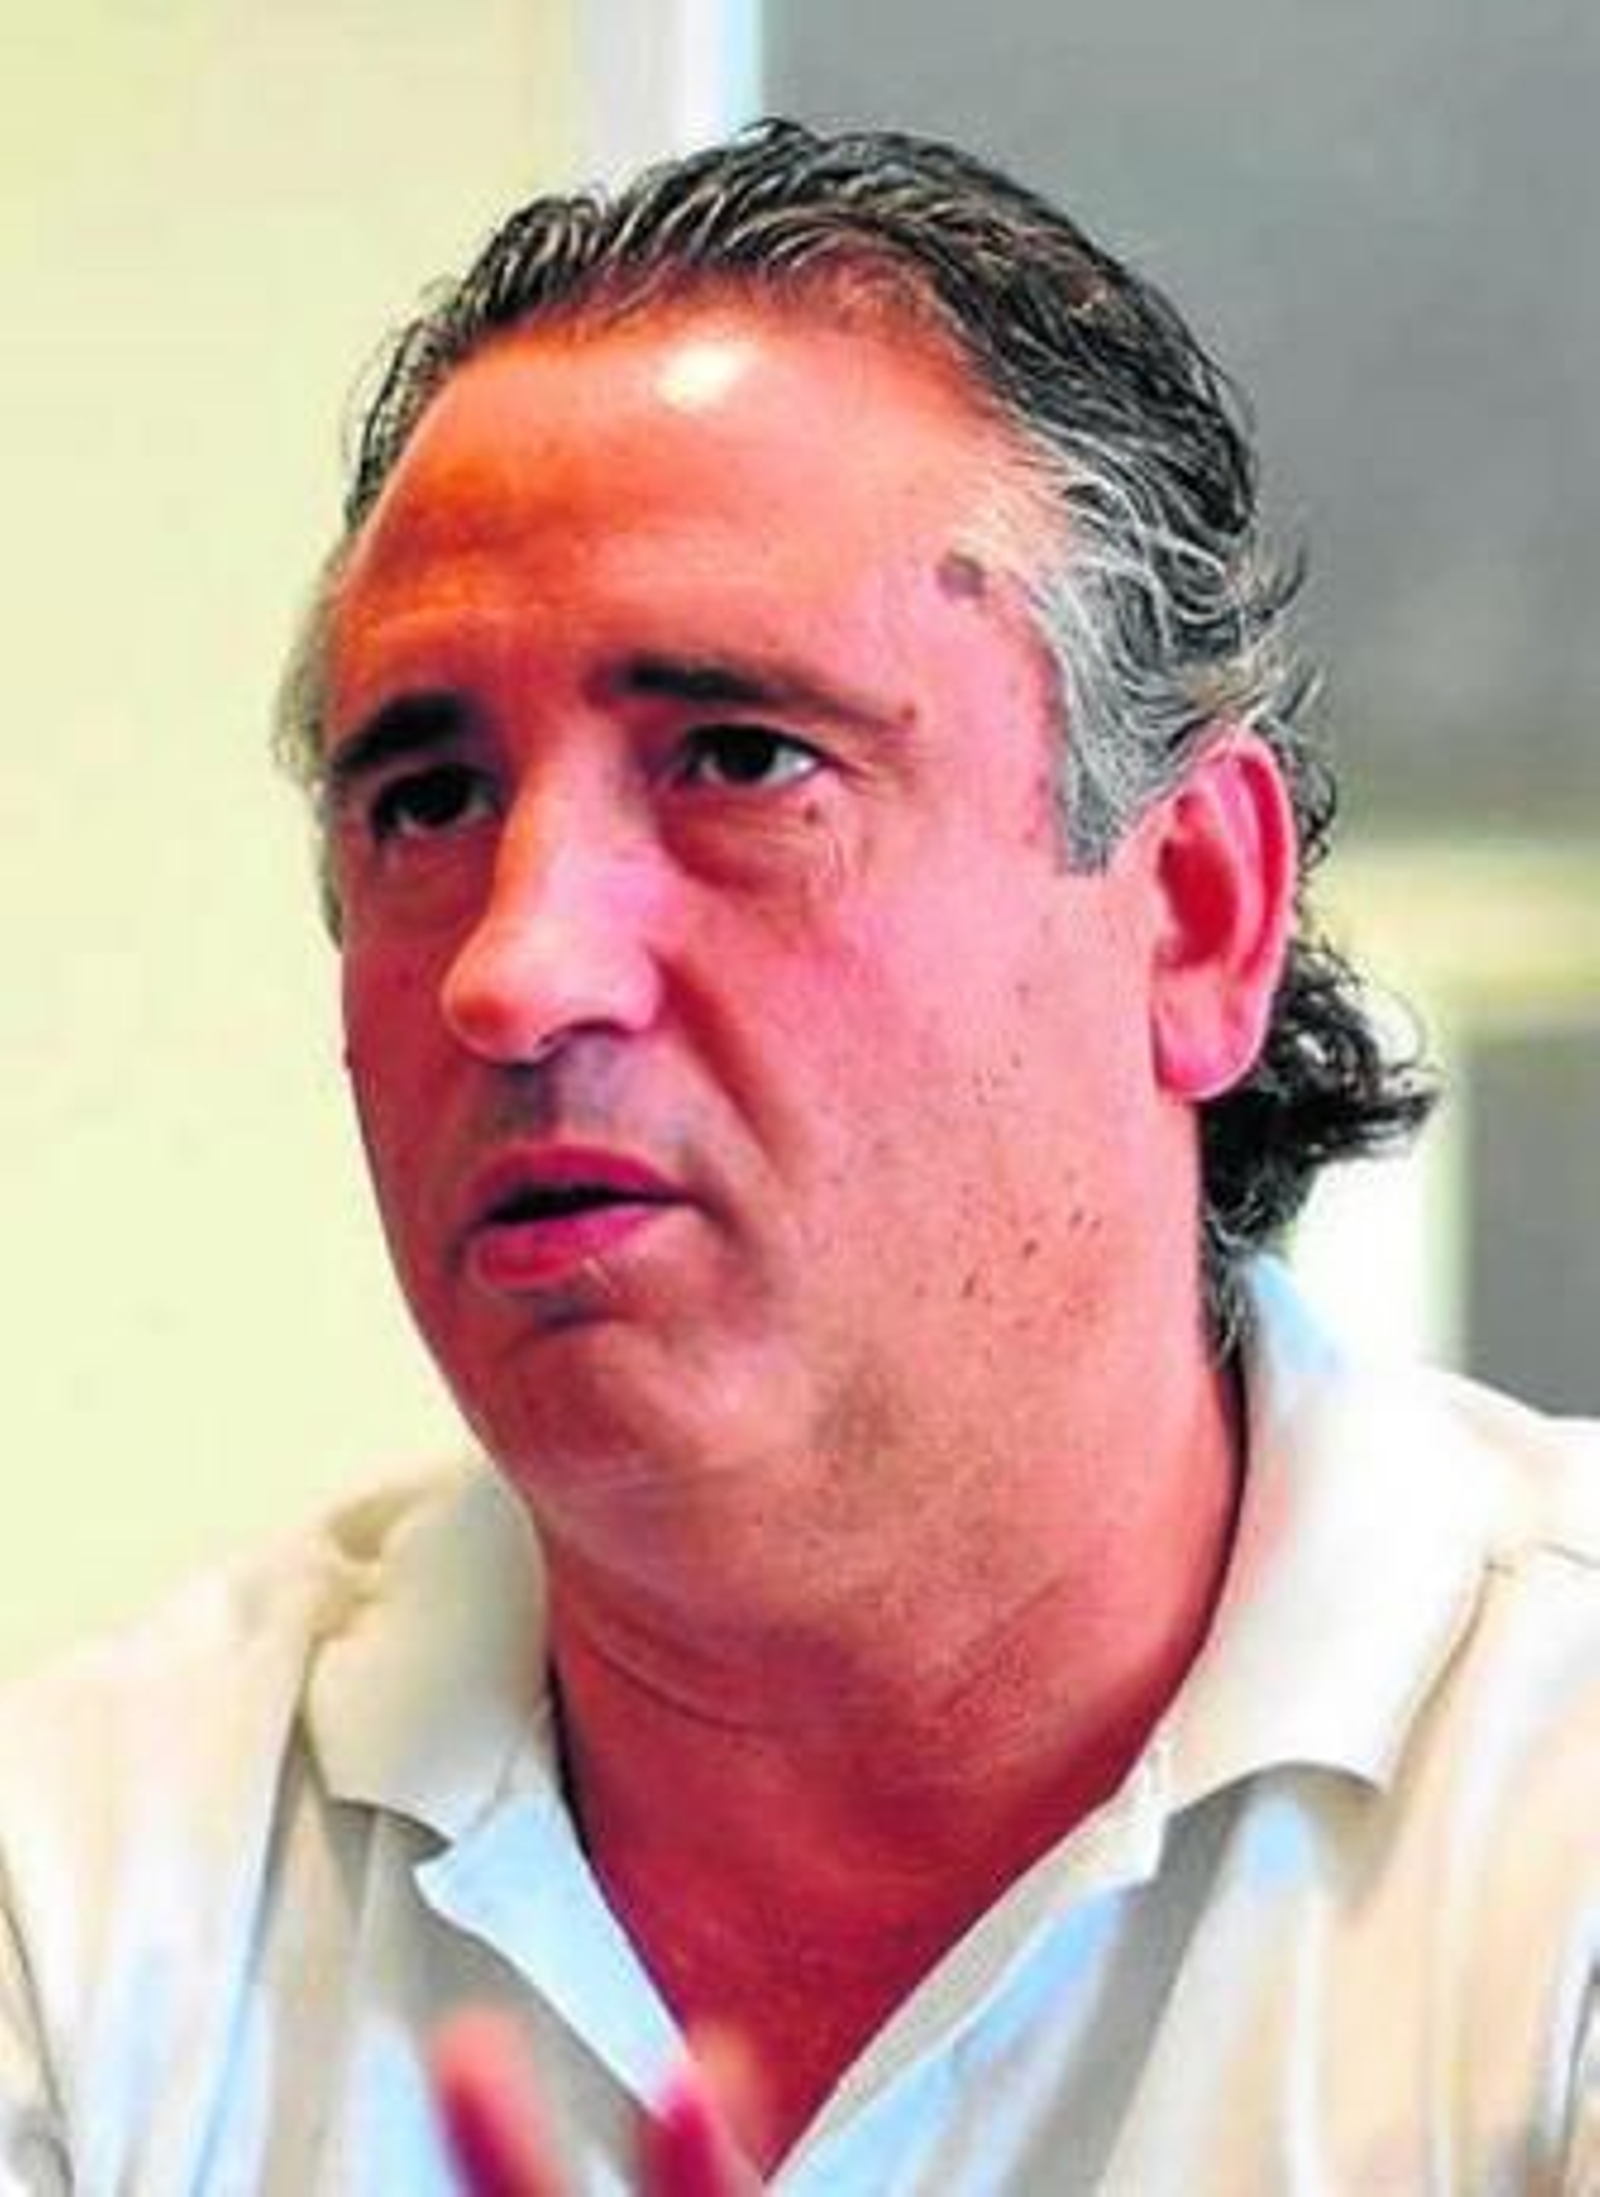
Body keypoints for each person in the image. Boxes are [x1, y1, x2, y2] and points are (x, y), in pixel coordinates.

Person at [2, 118, 1597, 2196]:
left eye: (741, 758)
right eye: (429, 800)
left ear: (1192, 912)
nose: (515, 970)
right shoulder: (86, 1900)